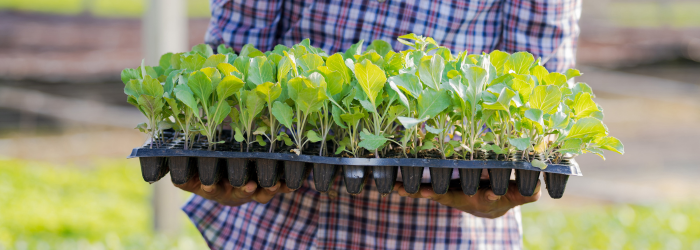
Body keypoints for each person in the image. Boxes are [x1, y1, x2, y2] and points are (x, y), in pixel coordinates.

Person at [176, 0, 580, 249]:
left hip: (441, 232)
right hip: (284, 223)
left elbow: (536, 84)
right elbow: (237, 46)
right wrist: (224, 154)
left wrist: (499, 180)